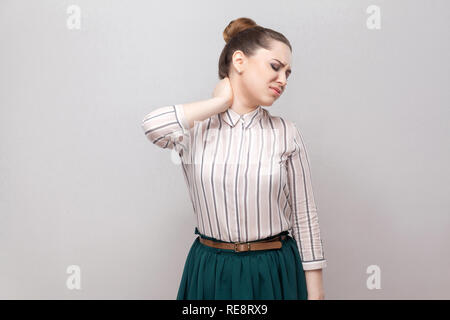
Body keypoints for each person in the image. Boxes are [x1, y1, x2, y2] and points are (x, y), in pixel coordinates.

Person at [141, 17, 327, 300]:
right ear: (239, 61)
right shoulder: (195, 130)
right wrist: (217, 103)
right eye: (275, 67)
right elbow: (152, 125)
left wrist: (316, 295)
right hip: (211, 269)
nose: (283, 80)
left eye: (288, 73)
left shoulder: (286, 133)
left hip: (274, 269)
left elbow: (304, 216)